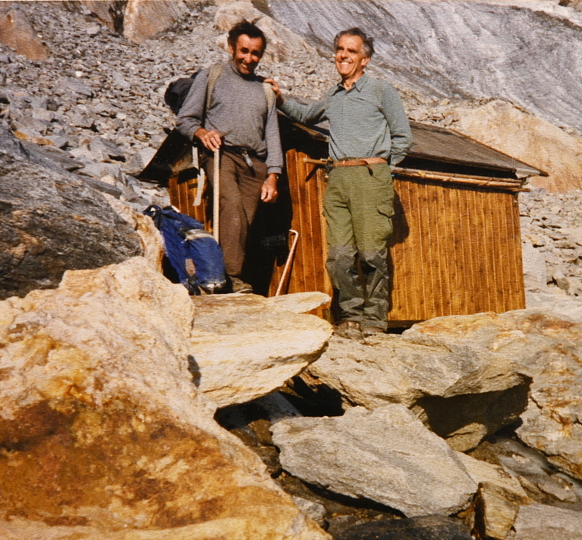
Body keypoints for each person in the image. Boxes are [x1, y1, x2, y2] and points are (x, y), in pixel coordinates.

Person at [272, 27, 412, 338]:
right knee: (339, 256)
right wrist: (280, 98)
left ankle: (375, 319)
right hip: (338, 178)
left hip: (370, 177)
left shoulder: (380, 90)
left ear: (365, 59)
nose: (343, 55)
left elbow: (403, 136)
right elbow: (306, 114)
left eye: (351, 51)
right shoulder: (333, 96)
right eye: (340, 49)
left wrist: (384, 170)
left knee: (372, 253)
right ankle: (350, 315)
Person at [176, 20, 281, 294]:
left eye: (255, 53)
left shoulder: (265, 90)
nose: (249, 58)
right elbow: (185, 120)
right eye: (243, 50)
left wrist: (273, 175)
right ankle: (231, 278)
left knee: (244, 221)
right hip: (222, 155)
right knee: (231, 206)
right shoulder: (212, 76)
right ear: (231, 47)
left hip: (255, 164)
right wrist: (201, 132)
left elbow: (272, 134)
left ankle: (222, 275)